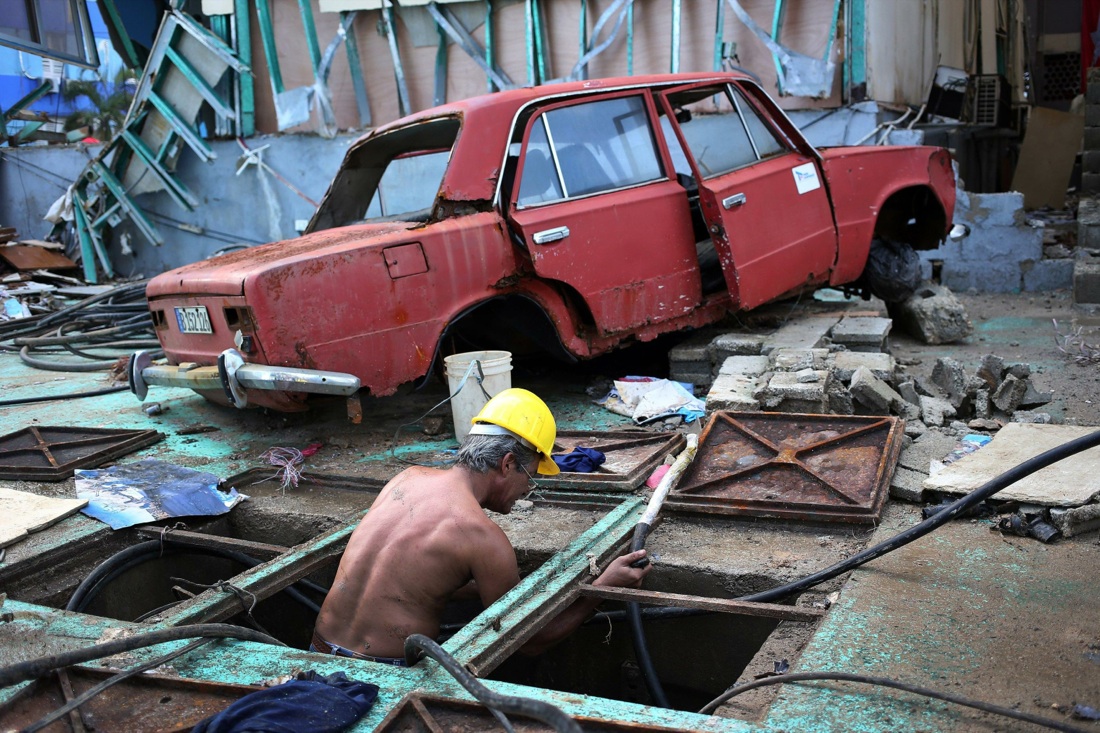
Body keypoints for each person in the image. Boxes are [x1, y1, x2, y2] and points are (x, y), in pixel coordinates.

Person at [312, 388, 651, 665]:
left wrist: (520, 586)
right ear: (507, 464)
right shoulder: (481, 536)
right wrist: (602, 587)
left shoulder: (405, 478)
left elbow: (412, 579)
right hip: (384, 674)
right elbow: (529, 641)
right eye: (530, 476)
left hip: (316, 652)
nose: (527, 491)